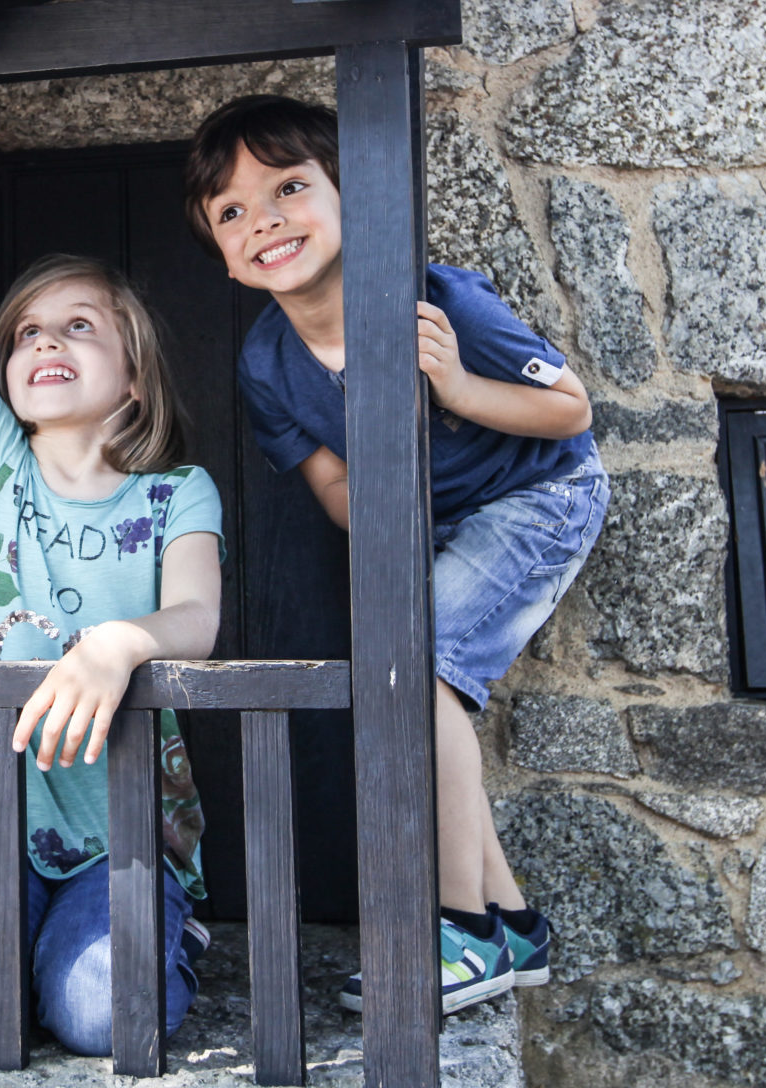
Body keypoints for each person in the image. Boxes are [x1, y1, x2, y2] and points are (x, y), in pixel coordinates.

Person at [186, 95, 608, 1014]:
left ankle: (452, 928)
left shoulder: (436, 300)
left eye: (289, 186)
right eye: (231, 211)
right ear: (220, 249)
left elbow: (570, 410)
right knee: (408, 663)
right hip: (433, 525)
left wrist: (453, 383)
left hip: (539, 495)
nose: (263, 220)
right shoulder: (267, 362)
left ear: (354, 194)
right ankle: (509, 921)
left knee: (417, 669)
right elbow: (337, 491)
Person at [0, 84, 226, 1057]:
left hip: (127, 818)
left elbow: (195, 613)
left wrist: (120, 641)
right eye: (27, 331)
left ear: (134, 375)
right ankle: (7, 939)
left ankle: (157, 924)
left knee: (102, 1012)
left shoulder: (175, 493)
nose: (45, 341)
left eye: (78, 327)